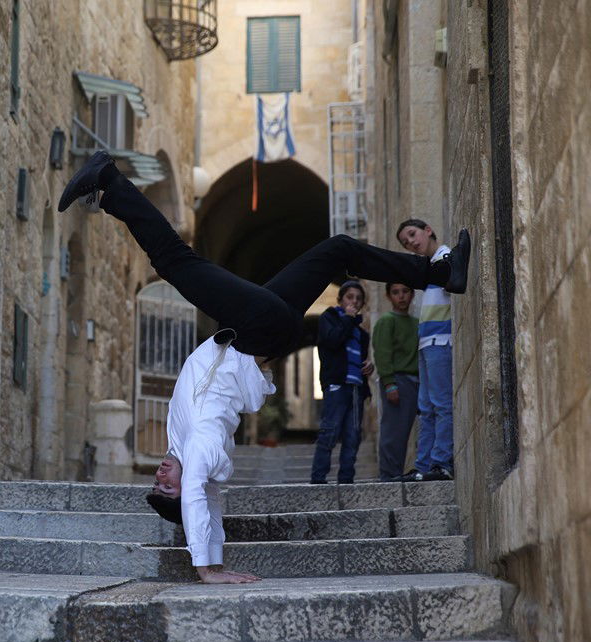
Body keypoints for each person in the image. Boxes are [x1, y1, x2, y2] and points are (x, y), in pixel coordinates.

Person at [58, 152, 470, 583]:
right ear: (184, 488)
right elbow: (199, 498)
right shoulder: (199, 447)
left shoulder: (182, 445)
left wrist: (216, 553)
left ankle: (441, 273)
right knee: (175, 261)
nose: (160, 476)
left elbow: (209, 501)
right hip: (256, 332)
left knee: (338, 250)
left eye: (157, 483)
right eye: (167, 487)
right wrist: (206, 568)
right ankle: (108, 181)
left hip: (259, 330)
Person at [393, 219, 454, 482]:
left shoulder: (445, 258)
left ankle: (441, 463)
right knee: (425, 408)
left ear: (428, 230)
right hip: (426, 344)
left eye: (413, 235)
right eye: (406, 242)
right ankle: (423, 465)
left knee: (441, 405)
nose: (411, 243)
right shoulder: (426, 270)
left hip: (441, 341)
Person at [309, 280, 374, 485]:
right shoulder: (329, 318)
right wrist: (347, 319)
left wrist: (368, 366)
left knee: (353, 435)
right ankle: (318, 479)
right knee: (330, 431)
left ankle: (346, 480)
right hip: (337, 385)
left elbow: (360, 357)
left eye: (358, 299)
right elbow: (333, 340)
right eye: (349, 297)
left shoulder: (361, 333)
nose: (354, 302)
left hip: (356, 387)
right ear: (340, 300)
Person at [371, 283, 420, 481]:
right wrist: (389, 383)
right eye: (395, 293)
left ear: (412, 294)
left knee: (412, 430)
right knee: (394, 432)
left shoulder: (417, 322)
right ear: (388, 296)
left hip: (417, 382)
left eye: (405, 291)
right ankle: (389, 476)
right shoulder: (386, 321)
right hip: (397, 382)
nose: (401, 297)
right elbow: (382, 353)